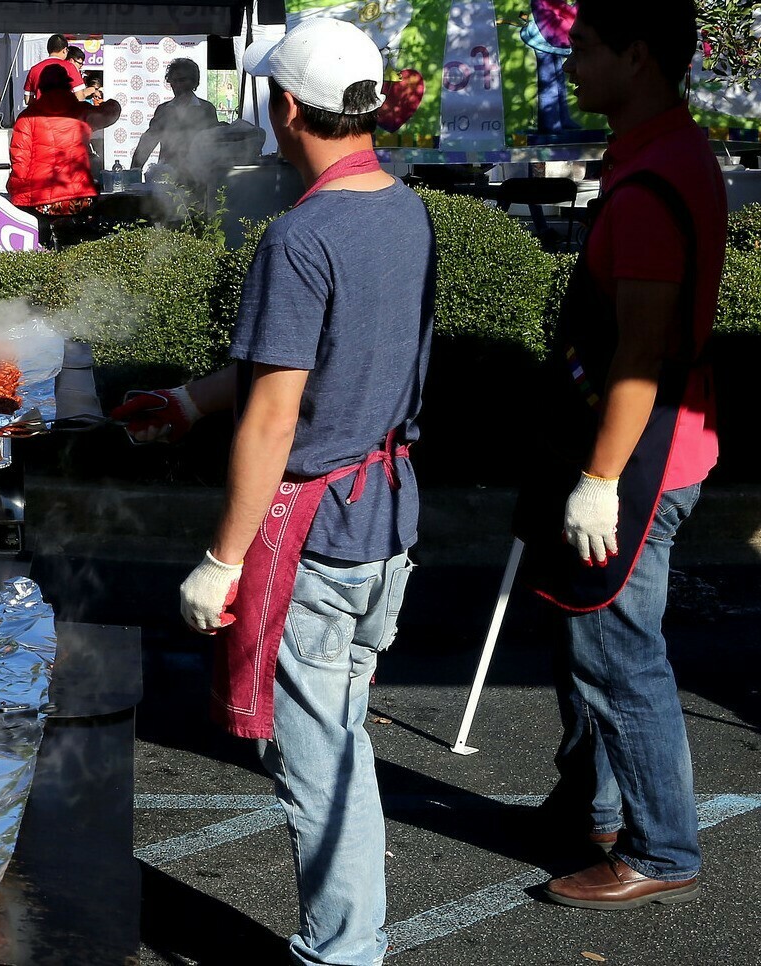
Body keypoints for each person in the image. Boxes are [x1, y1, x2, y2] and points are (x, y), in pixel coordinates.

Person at [112, 19, 433, 966]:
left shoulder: (301, 235)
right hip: (386, 522)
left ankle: (343, 953)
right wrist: (187, 399)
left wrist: (221, 561)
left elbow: (276, 420)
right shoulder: (404, 209)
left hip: (321, 535)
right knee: (343, 744)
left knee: (320, 765)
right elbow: (313, 367)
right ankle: (353, 937)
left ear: (286, 108)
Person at [514, 0, 722, 911]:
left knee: (617, 650)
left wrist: (599, 481)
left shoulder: (652, 181)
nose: (572, 63)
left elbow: (641, 350)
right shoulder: (662, 150)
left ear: (638, 57)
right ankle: (598, 809)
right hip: (651, 443)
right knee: (586, 636)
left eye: (587, 49)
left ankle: (662, 850)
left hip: (641, 458)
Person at [8, 63, 121, 246]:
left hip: (41, 201)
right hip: (79, 198)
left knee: (44, 249)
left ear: (40, 87)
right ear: (69, 85)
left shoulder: (26, 117)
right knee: (77, 248)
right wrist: (108, 101)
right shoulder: (81, 111)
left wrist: (17, 194)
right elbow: (111, 113)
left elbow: (20, 161)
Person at [132, 58, 221, 174]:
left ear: (194, 82)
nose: (178, 85)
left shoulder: (206, 109)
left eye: (182, 80)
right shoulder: (163, 110)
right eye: (173, 81)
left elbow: (214, 144)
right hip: (167, 176)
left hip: (199, 175)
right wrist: (133, 172)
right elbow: (147, 143)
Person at [24, 34, 92, 104]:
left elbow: (28, 100)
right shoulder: (70, 67)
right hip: (65, 113)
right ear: (65, 50)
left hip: (40, 112)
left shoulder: (34, 69)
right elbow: (79, 98)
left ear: (48, 49)